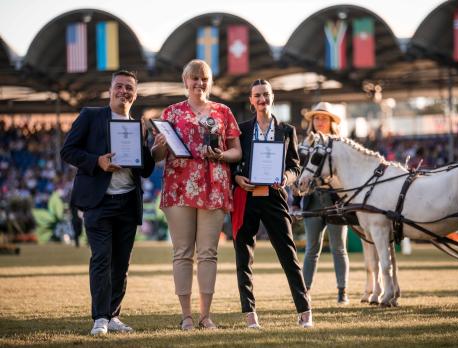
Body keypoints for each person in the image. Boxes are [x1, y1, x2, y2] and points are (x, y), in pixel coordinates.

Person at [60, 70, 155, 335]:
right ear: (110, 89)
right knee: (101, 258)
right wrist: (97, 162)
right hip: (98, 202)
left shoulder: (137, 125)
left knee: (121, 263)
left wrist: (148, 142)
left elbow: (145, 169)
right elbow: (67, 151)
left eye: (129, 88)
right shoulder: (91, 116)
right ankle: (100, 317)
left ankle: (113, 315)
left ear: (135, 95)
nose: (124, 91)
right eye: (120, 86)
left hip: (127, 202)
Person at [151, 59, 241, 330]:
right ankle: (186, 315)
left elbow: (237, 151)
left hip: (214, 187)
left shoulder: (223, 111)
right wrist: (158, 146)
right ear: (185, 81)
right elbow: (157, 156)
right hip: (179, 188)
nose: (199, 83)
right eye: (194, 78)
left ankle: (206, 315)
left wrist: (222, 154)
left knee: (208, 253)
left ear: (209, 82)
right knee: (182, 253)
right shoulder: (171, 112)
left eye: (204, 79)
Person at [232, 79, 312, 329]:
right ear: (251, 100)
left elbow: (295, 166)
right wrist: (236, 176)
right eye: (257, 95)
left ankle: (305, 311)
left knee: (288, 254)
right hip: (246, 196)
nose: (261, 99)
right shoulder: (241, 129)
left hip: (275, 197)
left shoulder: (287, 130)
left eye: (265, 95)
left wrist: (286, 178)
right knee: (243, 256)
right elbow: (233, 162)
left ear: (272, 97)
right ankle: (250, 315)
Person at [292, 102, 349, 304]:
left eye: (324, 118)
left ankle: (342, 291)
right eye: (316, 118)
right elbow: (299, 176)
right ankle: (305, 291)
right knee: (311, 249)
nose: (320, 121)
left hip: (335, 201)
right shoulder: (303, 145)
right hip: (312, 200)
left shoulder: (340, 145)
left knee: (338, 248)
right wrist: (296, 202)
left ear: (332, 122)